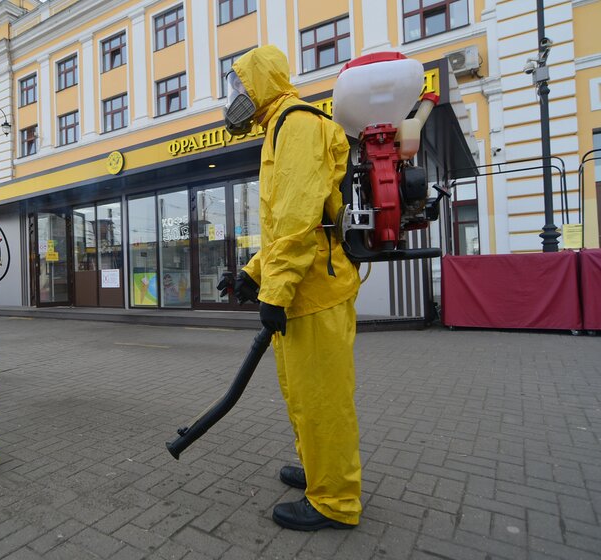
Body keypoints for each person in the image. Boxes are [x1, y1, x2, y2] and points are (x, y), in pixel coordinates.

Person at [223, 45, 362, 531]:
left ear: (261, 82)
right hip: (304, 292)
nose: (235, 95)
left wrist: (275, 292)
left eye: (240, 84)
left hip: (314, 294)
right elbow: (283, 226)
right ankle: (319, 470)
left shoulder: (296, 125)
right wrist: (252, 273)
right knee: (303, 395)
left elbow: (301, 221)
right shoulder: (279, 126)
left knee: (323, 398)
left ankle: (336, 501)